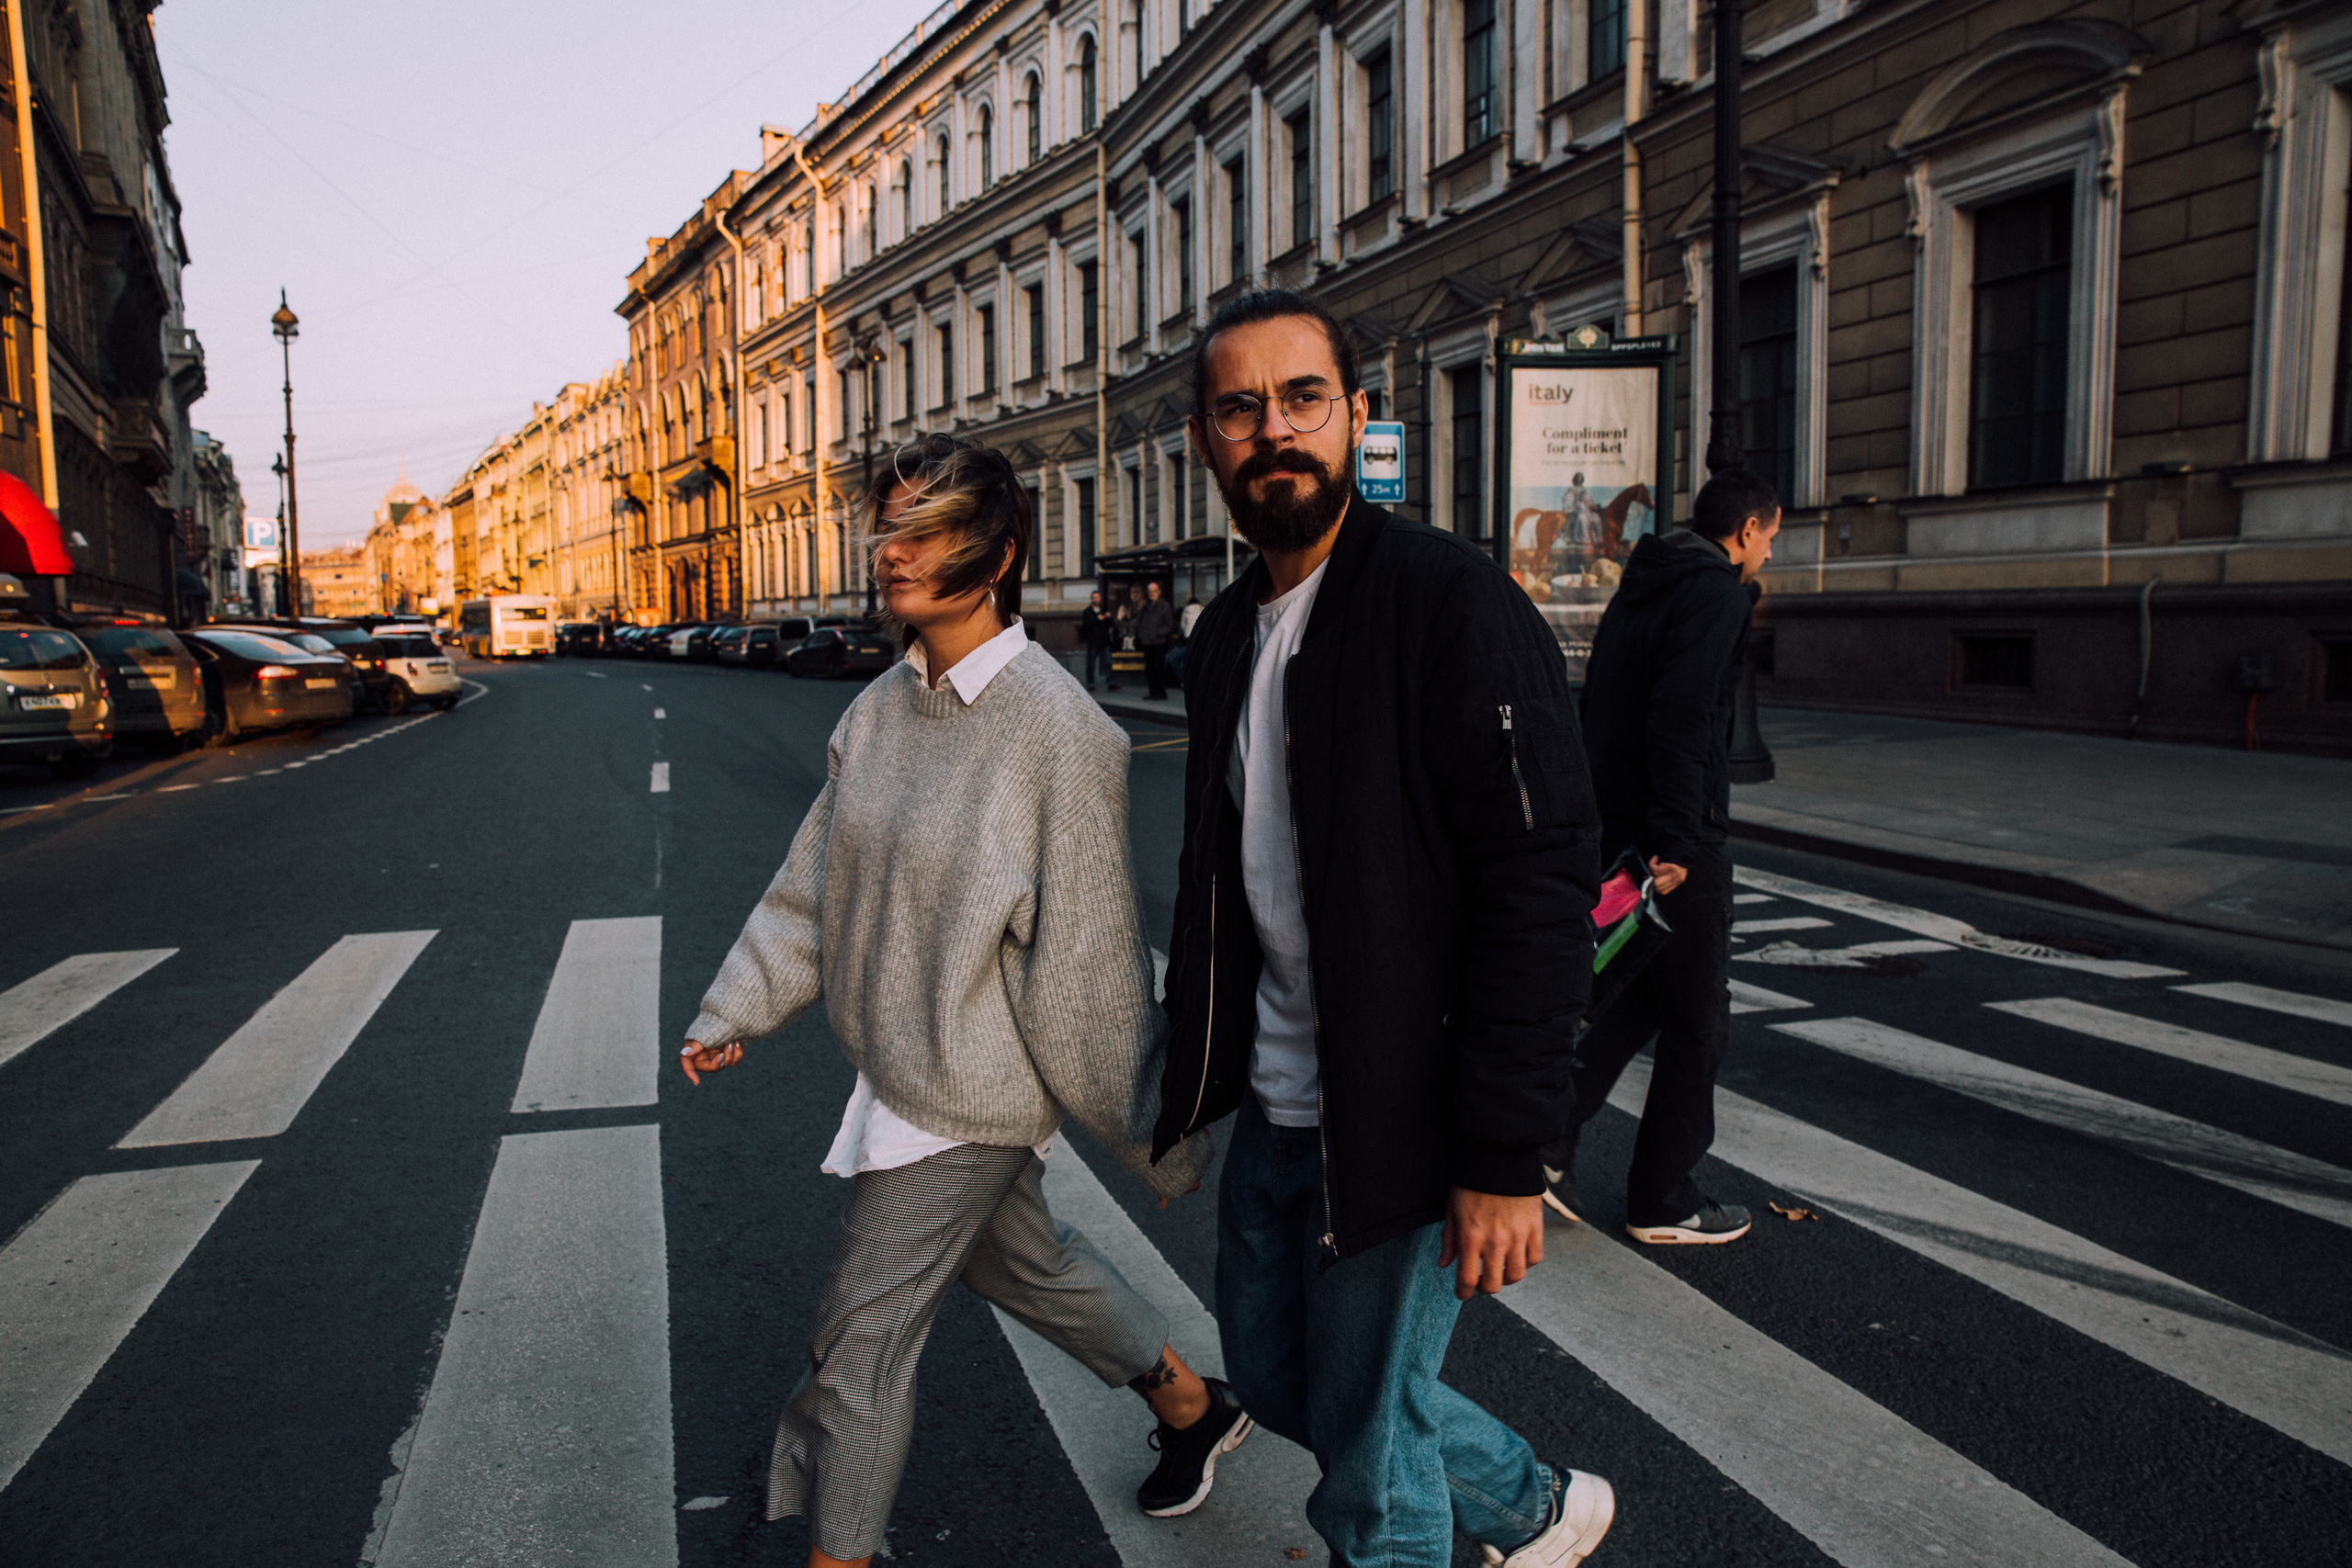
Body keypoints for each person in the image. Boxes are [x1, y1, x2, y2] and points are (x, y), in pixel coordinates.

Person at [680, 434, 1253, 1568]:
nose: (892, 553)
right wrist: (735, 1005)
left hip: (969, 1091)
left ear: (991, 559)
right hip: (897, 1057)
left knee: (857, 1344)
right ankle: (1193, 1405)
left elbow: (1089, 964)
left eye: (927, 532)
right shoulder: (885, 707)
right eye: (889, 528)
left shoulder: (1059, 731)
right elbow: (815, 881)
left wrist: (1160, 1140)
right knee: (1024, 1265)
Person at [1153, 289, 1615, 1568]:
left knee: (1367, 1470)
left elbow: (1540, 877)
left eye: (1303, 398)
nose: (1274, 430)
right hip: (1280, 1101)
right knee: (1292, 1386)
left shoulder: (1444, 601)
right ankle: (1531, 1504)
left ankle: (1463, 1524)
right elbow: (1226, 882)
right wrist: (1191, 1072)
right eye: (1241, 408)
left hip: (1404, 1108)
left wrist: (1508, 1149)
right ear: (1206, 439)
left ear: (1356, 417)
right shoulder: (1225, 637)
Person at [1539, 467, 1781, 1247]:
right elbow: (1681, 716)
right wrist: (1678, 836)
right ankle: (1664, 1198)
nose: (1768, 555)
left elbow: (1602, 702)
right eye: (1770, 538)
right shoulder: (1715, 595)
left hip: (1619, 819)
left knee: (1642, 992)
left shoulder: (1642, 585)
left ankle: (1546, 1140)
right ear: (1747, 530)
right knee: (1700, 1018)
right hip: (1679, 836)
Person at [1136, 579, 1178, 700]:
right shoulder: (1145, 606)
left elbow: (1169, 624)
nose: (1152, 593)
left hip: (1159, 642)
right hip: (1147, 642)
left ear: (1159, 592)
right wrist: (1141, 635)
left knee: (1158, 668)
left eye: (1154, 591)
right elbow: (1140, 622)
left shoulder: (1164, 606)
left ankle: (1161, 692)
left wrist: (1159, 633)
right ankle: (1153, 692)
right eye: (1150, 591)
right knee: (1149, 669)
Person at [1080, 588, 1115, 690]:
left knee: (1108, 662)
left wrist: (1108, 618)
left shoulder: (1104, 610)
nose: (1096, 599)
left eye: (1098, 597)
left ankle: (1111, 682)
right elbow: (1085, 625)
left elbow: (1111, 624)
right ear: (1092, 599)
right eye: (1094, 598)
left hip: (1104, 641)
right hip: (1093, 642)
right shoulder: (1088, 612)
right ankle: (1090, 683)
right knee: (1091, 664)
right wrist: (1097, 620)